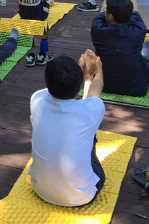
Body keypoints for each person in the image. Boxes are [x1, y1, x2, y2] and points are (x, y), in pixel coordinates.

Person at [29, 50, 105, 207]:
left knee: (83, 126)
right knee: (89, 133)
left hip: (39, 188)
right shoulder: (93, 110)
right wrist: (96, 70)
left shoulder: (37, 99)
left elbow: (64, 84)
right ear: (78, 87)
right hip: (81, 198)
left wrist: (78, 71)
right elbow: (96, 89)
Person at [92, 0, 149, 96]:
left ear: (110, 16)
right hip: (137, 88)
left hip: (104, 85)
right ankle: (143, 55)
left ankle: (142, 54)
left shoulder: (97, 28)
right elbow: (135, 8)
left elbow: (102, 10)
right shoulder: (139, 29)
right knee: (143, 61)